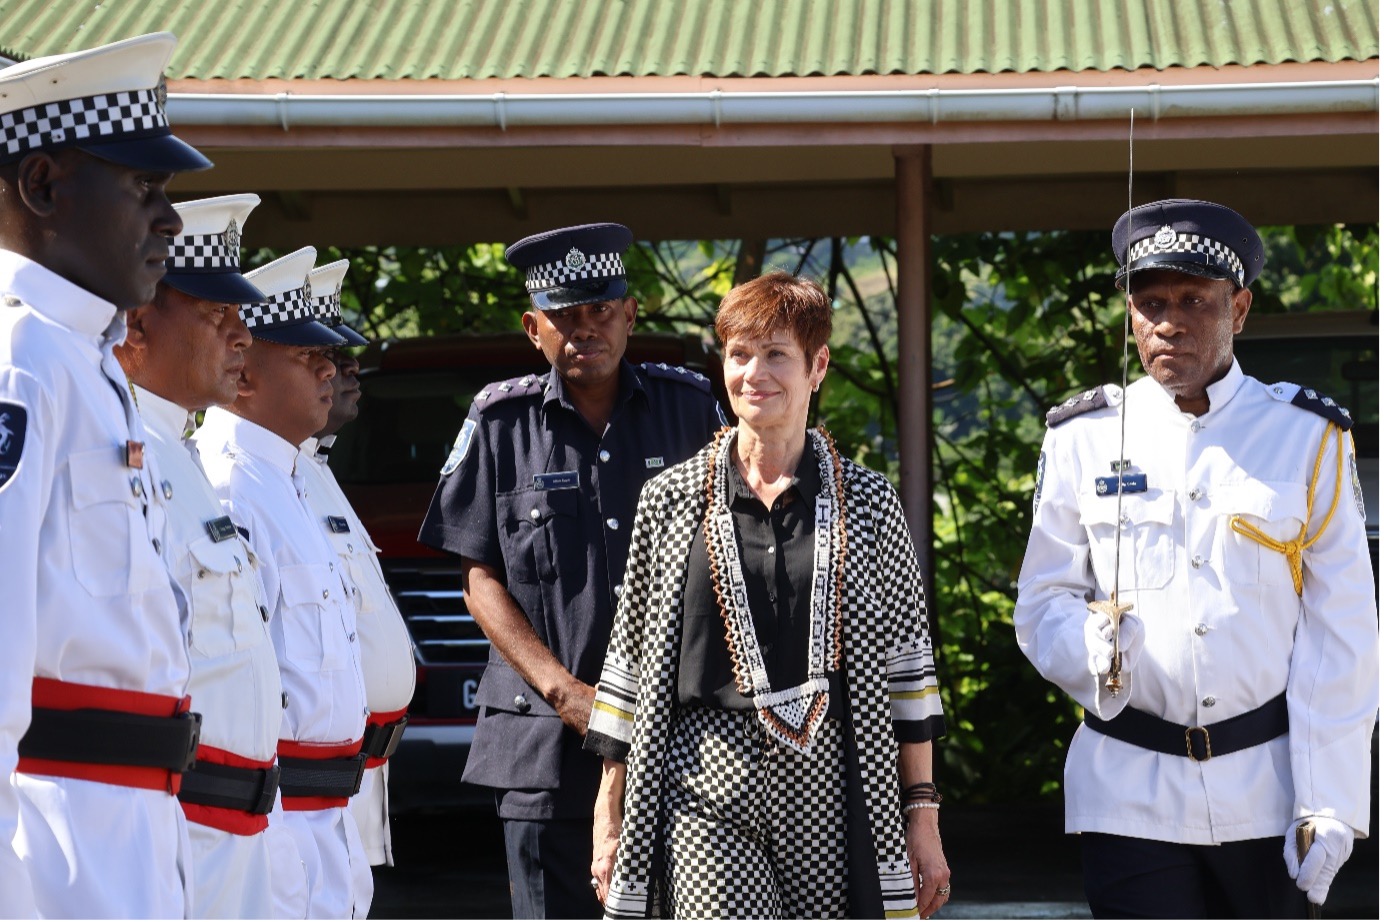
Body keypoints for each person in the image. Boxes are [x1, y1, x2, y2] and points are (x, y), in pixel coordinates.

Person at [1014, 199, 1378, 919]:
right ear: (1130, 315)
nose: (1169, 323)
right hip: (1127, 791)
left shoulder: (1306, 437)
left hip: (1267, 791)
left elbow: (1342, 632)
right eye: (1150, 304)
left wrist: (1331, 798)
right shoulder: (1082, 436)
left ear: (1238, 309)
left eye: (1193, 301)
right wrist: (1090, 649)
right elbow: (1042, 601)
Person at [585, 271, 951, 920]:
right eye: (739, 354)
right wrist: (608, 812)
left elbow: (908, 670)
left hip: (831, 784)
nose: (754, 373)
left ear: (818, 366)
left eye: (776, 354)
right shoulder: (669, 501)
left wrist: (921, 814)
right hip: (704, 778)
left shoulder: (871, 503)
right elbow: (629, 664)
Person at [417, 222, 724, 919]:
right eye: (565, 315)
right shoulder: (501, 423)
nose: (586, 328)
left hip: (679, 738)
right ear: (534, 329)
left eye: (601, 310)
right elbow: (479, 581)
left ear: (630, 316)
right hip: (544, 744)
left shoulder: (690, 410)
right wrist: (565, 692)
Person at [0, 32, 212, 919]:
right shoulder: (19, 359)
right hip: (54, 848)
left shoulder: (84, 360)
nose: (170, 221)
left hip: (128, 832)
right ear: (43, 185)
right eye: (143, 188)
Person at [115, 193, 310, 919]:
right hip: (182, 836)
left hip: (240, 833)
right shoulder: (128, 455)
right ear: (138, 323)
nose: (242, 335)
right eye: (216, 313)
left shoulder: (178, 453)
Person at [192, 248, 375, 919]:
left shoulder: (288, 475)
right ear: (244, 373)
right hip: (275, 816)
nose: (330, 369)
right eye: (306, 355)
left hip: (325, 812)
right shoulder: (229, 485)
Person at [299, 258, 417, 870]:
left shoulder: (316, 470)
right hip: (301, 787)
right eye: (322, 355)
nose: (343, 370)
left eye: (345, 358)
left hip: (350, 772)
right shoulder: (257, 478)